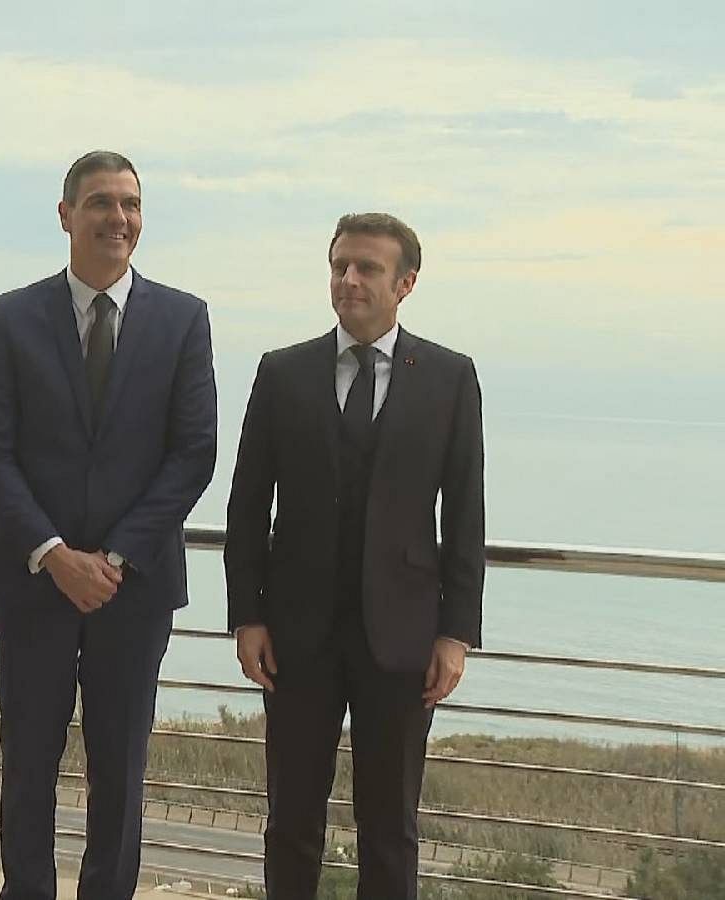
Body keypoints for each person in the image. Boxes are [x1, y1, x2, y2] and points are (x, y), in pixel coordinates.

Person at [0, 151, 218, 900]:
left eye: (131, 204)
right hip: (32, 582)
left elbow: (194, 454)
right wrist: (53, 553)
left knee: (121, 770)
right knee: (27, 764)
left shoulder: (183, 319)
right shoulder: (12, 316)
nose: (119, 218)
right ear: (66, 215)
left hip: (133, 590)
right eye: (102, 202)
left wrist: (114, 557)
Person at [224, 213, 485, 899]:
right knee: (291, 821)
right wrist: (247, 616)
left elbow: (465, 515)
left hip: (403, 638)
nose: (348, 280)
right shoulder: (282, 372)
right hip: (295, 634)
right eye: (339, 265)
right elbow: (247, 505)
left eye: (366, 268)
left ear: (406, 283)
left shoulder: (450, 378)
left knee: (390, 826)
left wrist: (456, 633)